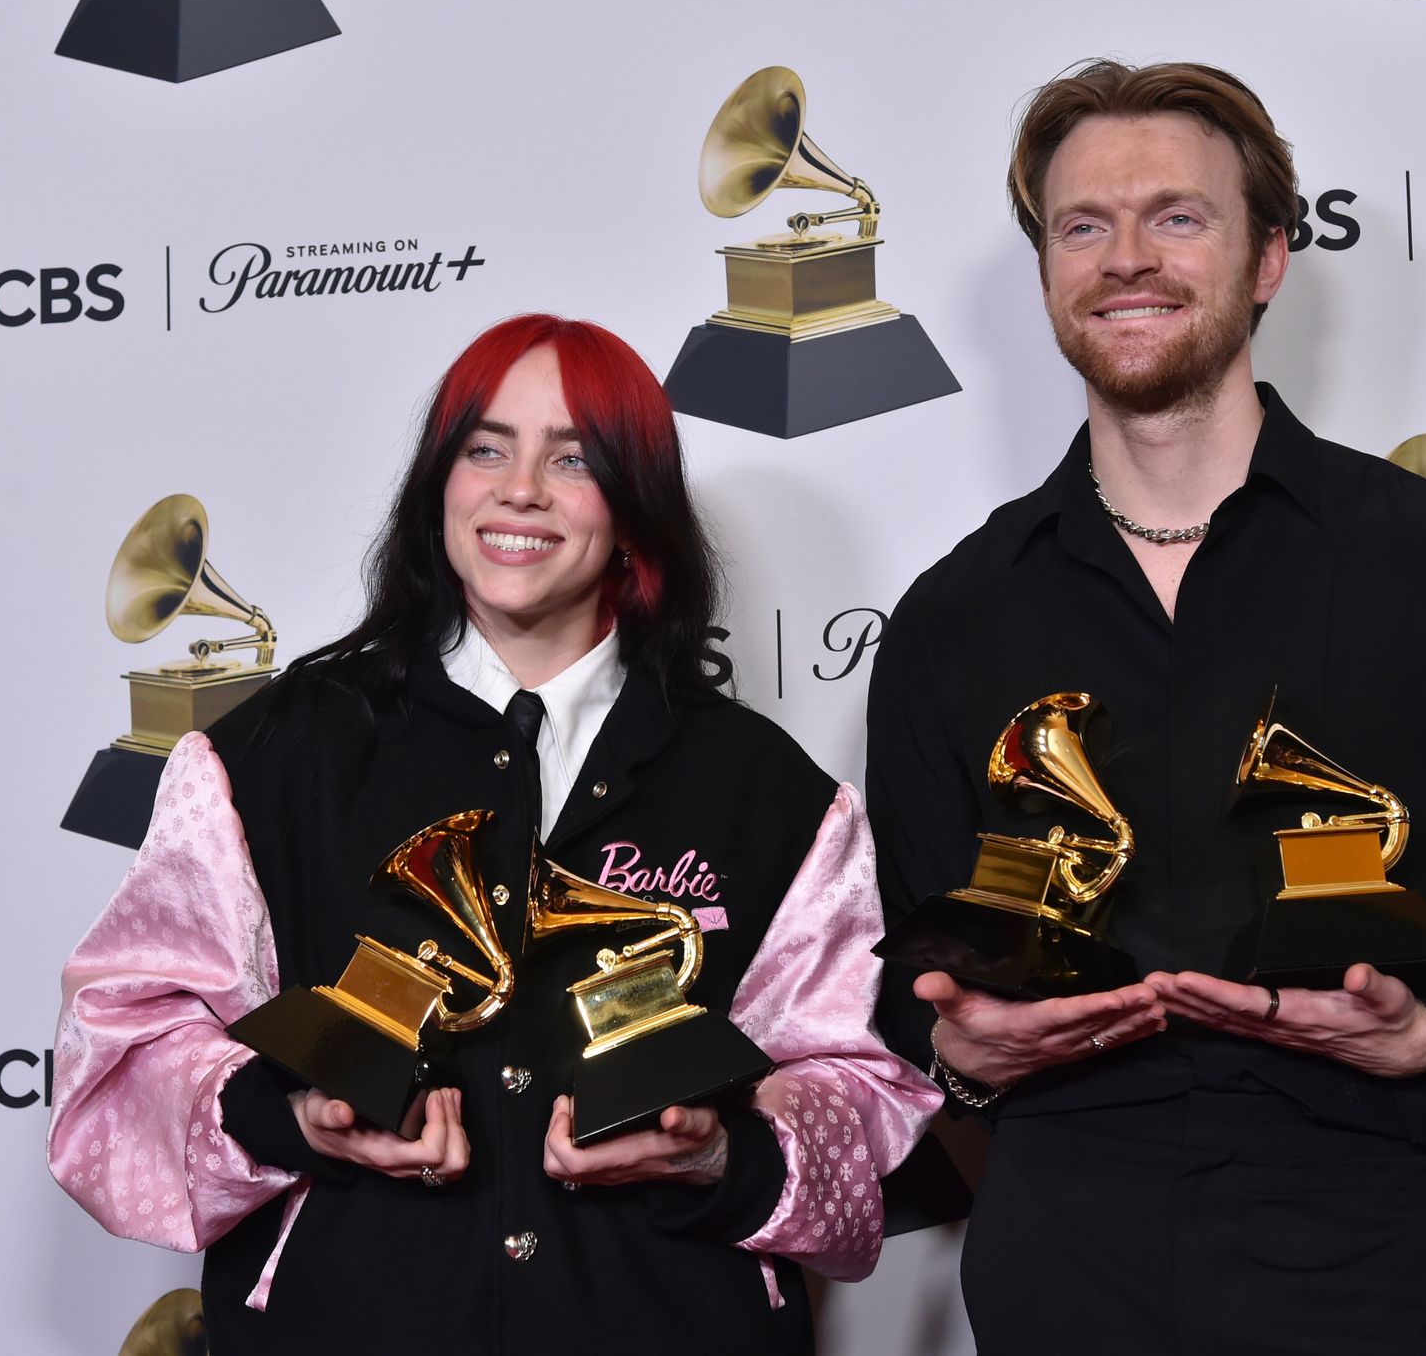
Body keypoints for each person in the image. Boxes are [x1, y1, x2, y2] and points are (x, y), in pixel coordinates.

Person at [867, 61, 1426, 1353]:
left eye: (1177, 217)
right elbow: (907, 950)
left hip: (1363, 1255)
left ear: (1271, 259)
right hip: (1060, 1263)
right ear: (1047, 274)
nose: (1128, 257)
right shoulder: (953, 616)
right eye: (1085, 225)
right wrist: (964, 1046)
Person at [49, 314, 940, 1355]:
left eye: (572, 458)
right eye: (486, 448)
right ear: (440, 484)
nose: (519, 489)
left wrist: (718, 1156)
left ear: (634, 501)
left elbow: (859, 1094)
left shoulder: (772, 794)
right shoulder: (268, 757)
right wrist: (287, 1116)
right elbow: (120, 1050)